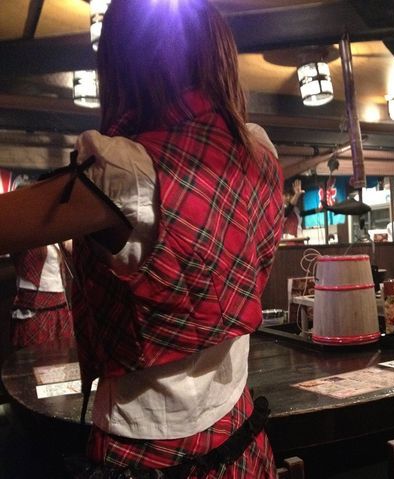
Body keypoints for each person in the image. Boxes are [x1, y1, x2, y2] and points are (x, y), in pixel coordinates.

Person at [0, 1, 282, 477]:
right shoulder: (259, 150)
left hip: (147, 453)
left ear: (121, 61)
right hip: (242, 438)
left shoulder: (123, 171)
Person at [10, 242, 73, 349]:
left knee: (62, 352)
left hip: (59, 305)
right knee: (37, 354)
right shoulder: (26, 237)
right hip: (35, 306)